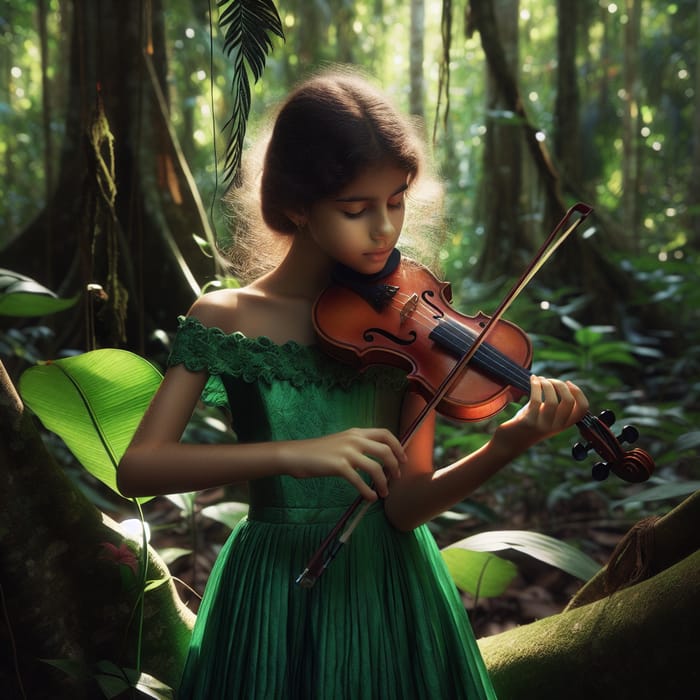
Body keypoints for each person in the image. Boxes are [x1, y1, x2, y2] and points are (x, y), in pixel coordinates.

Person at [117, 69, 589, 699]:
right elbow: (139, 468)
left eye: (395, 200)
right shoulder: (226, 318)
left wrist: (505, 445)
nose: (385, 228)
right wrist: (294, 455)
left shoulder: (410, 322)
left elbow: (405, 505)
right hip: (272, 585)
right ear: (295, 207)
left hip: (390, 585)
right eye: (355, 209)